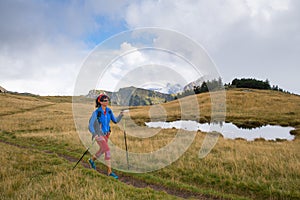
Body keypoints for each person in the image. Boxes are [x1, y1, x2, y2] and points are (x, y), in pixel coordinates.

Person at [88, 94, 123, 179]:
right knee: (107, 150)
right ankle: (109, 172)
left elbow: (115, 121)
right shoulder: (96, 112)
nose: (107, 101)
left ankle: (91, 160)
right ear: (100, 102)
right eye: (105, 100)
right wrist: (95, 134)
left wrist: (121, 115)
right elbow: (90, 126)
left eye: (107, 100)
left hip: (107, 134)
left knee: (103, 150)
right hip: (99, 135)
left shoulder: (109, 111)